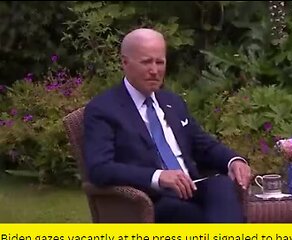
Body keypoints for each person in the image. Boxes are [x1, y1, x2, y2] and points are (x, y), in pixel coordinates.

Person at [83, 28, 252, 223]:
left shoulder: (172, 102)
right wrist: (158, 177)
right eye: (146, 62)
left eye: (160, 62)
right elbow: (99, 169)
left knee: (222, 186)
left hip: (191, 187)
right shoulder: (103, 109)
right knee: (195, 215)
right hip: (152, 198)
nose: (154, 71)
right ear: (125, 62)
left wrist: (234, 160)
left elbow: (203, 144)